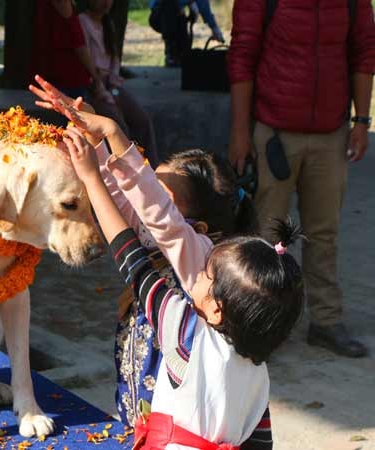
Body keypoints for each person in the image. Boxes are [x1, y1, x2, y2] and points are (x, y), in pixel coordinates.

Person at [30, 75, 275, 448]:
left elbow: (156, 214)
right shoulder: (160, 237)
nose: (145, 199)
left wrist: (112, 132)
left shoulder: (198, 260)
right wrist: (96, 134)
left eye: (160, 194)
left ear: (200, 227)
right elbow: (125, 196)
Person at [227, 0, 375, 357]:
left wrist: (361, 121)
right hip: (274, 133)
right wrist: (240, 132)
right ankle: (259, 326)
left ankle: (326, 321)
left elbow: (364, 50)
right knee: (266, 239)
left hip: (332, 133)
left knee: (323, 232)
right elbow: (242, 55)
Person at [79, 0, 160, 168]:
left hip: (111, 83)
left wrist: (113, 81)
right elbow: (85, 58)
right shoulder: (82, 21)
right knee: (119, 125)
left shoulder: (108, 22)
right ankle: (129, 170)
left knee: (142, 120)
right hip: (94, 86)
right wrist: (100, 84)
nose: (106, 3)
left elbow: (114, 58)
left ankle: (152, 168)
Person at [30, 0, 101, 99]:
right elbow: (79, 47)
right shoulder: (62, 3)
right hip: (69, 79)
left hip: (50, 75)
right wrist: (96, 77)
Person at [149, 0, 225, 68]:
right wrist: (190, 2)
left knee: (184, 53)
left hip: (175, 17)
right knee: (170, 6)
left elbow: (203, 4)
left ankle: (180, 53)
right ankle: (171, 52)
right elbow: (154, 4)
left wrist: (214, 28)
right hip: (160, 16)